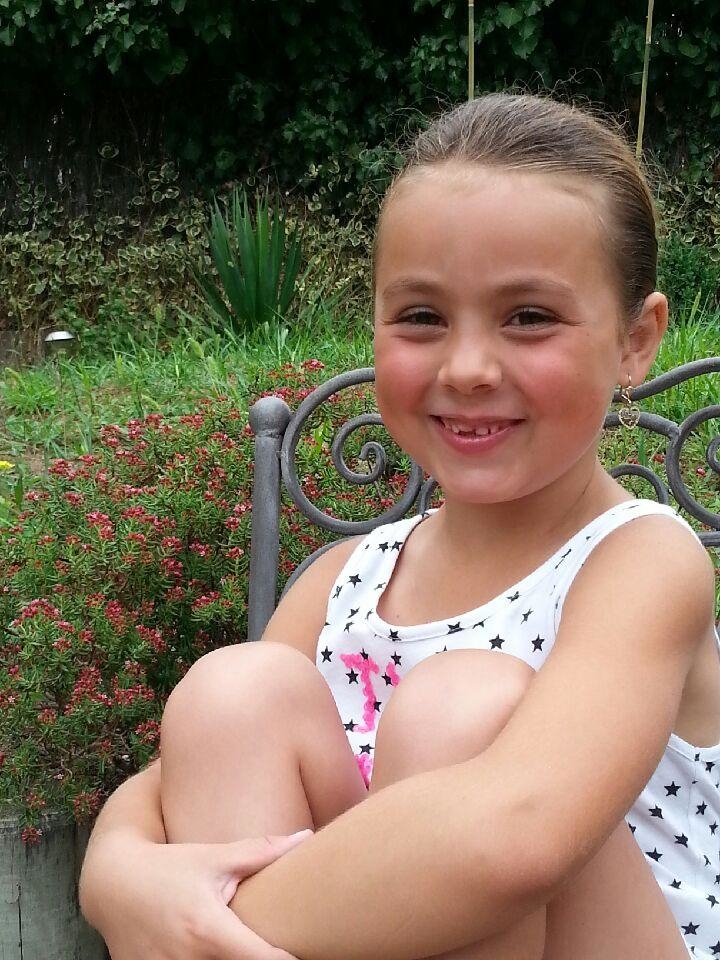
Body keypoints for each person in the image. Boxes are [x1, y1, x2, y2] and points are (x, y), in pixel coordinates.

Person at [79, 93, 720, 960]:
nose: (468, 367)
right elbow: (162, 788)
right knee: (234, 695)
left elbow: (516, 839)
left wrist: (208, 922)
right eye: (422, 317)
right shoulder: (346, 578)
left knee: (463, 714)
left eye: (529, 317)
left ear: (636, 341)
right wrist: (115, 874)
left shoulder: (642, 563)